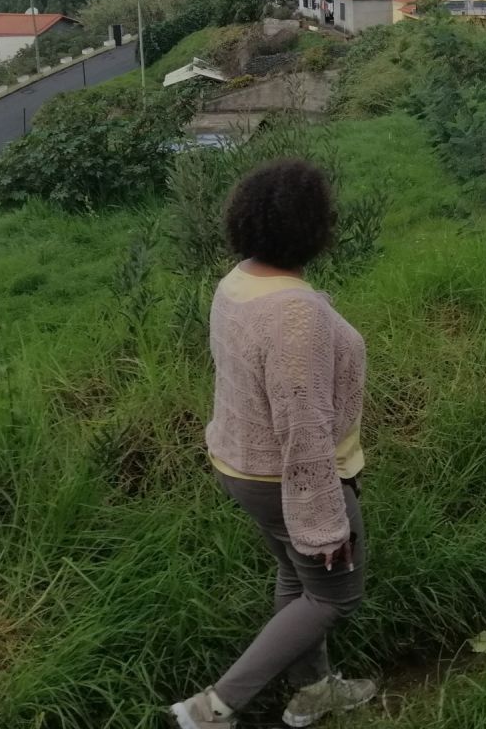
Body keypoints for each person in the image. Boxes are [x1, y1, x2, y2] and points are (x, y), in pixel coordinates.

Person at [171, 159, 375, 729]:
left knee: (297, 577)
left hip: (239, 463)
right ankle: (211, 709)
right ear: (314, 227)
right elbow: (302, 423)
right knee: (334, 595)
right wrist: (324, 522)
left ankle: (311, 692)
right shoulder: (295, 313)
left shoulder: (239, 281)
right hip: (284, 475)